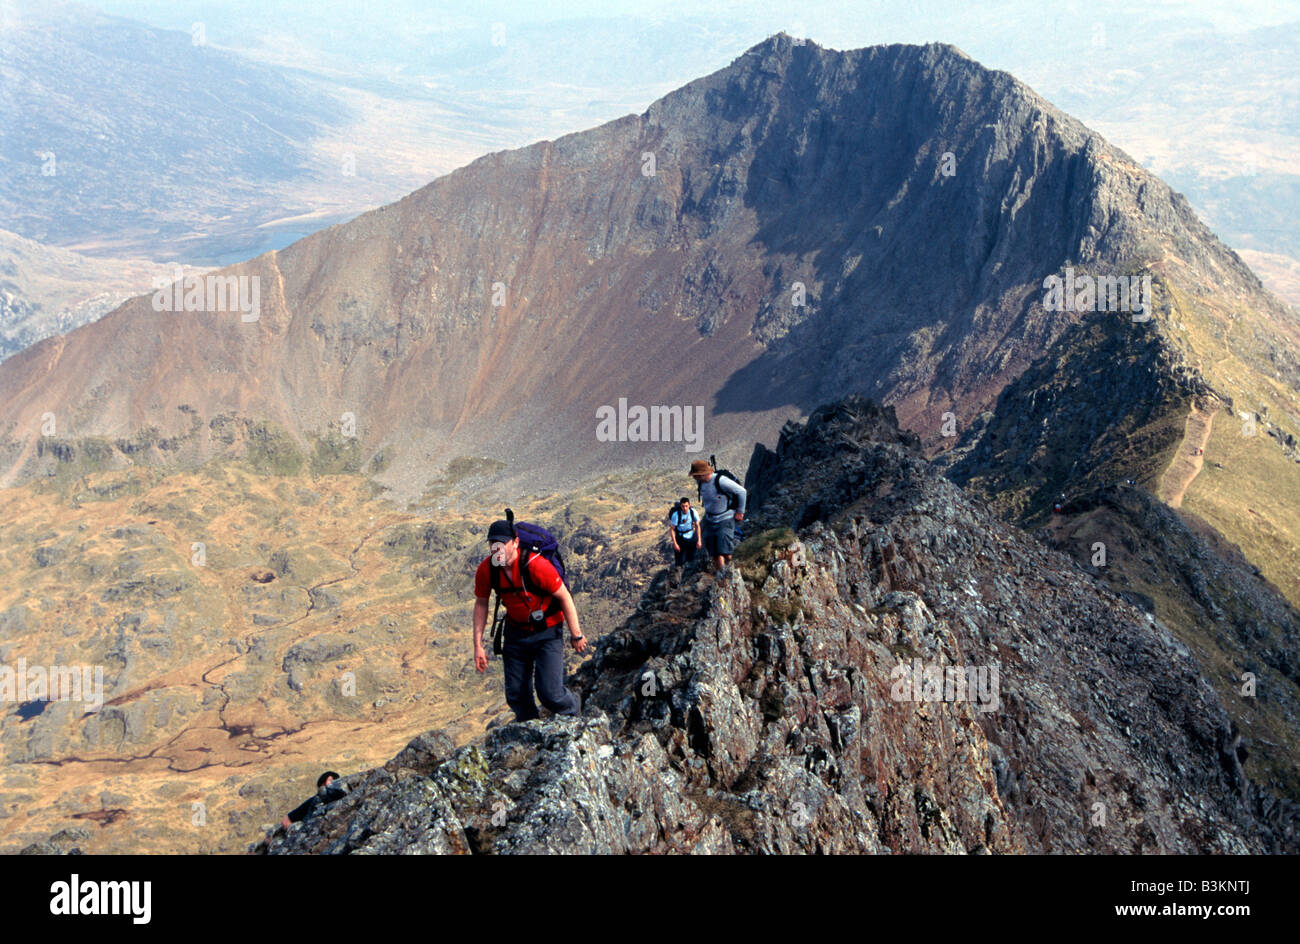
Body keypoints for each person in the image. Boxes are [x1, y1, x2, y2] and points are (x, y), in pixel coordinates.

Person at [472, 519, 587, 722]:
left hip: (548, 631)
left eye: (501, 543)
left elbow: (564, 596)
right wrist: (478, 645)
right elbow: (481, 604)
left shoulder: (536, 566)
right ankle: (530, 729)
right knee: (516, 694)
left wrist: (576, 634)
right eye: (493, 544)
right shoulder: (487, 569)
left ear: (515, 542)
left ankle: (573, 710)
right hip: (515, 633)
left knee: (550, 694)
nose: (496, 549)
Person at [689, 459, 746, 572]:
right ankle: (722, 578)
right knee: (715, 553)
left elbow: (742, 492)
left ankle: (735, 572)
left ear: (703, 473)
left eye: (696, 475)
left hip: (725, 519)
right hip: (710, 520)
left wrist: (740, 511)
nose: (694, 478)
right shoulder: (701, 482)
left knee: (725, 552)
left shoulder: (721, 481)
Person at [282, 771, 346, 827]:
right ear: (322, 783)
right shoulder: (313, 800)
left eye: (336, 780)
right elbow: (286, 821)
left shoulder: (340, 796)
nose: (332, 783)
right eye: (330, 780)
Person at [668, 496, 700, 569]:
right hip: (680, 538)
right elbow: (672, 529)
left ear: (689, 505)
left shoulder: (693, 512)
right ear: (680, 506)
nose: (685, 508)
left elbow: (698, 526)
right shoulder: (676, 515)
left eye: (686, 506)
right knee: (679, 561)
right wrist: (675, 543)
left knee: (691, 558)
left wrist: (699, 540)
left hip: (691, 536)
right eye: (683, 506)